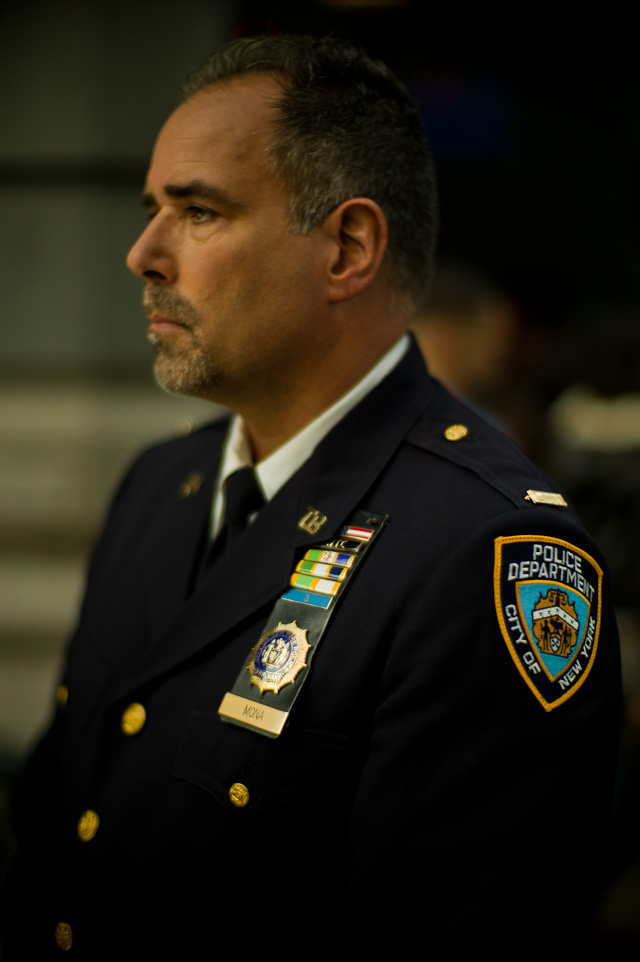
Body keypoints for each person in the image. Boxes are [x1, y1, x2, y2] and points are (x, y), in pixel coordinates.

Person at [4, 35, 621, 958]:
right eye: (151, 212)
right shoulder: (159, 488)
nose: (142, 254)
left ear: (348, 248)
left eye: (199, 212)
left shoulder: (486, 556)